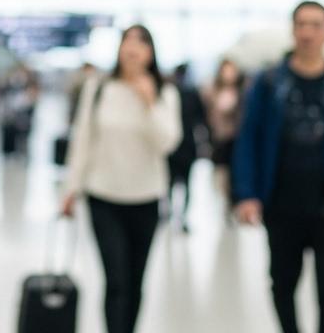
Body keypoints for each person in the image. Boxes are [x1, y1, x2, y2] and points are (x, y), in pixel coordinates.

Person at [232, 2, 324, 333]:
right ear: (293, 30)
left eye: (315, 25)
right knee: (283, 284)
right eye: (301, 24)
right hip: (282, 206)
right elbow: (248, 138)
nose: (308, 33)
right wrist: (246, 194)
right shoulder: (268, 83)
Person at [61, 25, 182, 333]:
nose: (132, 48)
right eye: (127, 41)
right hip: (103, 197)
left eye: (141, 43)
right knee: (116, 280)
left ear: (150, 53)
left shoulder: (165, 93)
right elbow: (83, 140)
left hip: (146, 198)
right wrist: (71, 188)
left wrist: (149, 103)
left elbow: (167, 142)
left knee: (135, 281)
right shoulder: (98, 89)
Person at [167, 62, 208, 232]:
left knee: (175, 183)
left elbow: (201, 119)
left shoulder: (177, 92)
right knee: (180, 184)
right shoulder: (180, 92)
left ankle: (175, 215)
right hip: (178, 144)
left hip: (181, 145)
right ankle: (177, 216)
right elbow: (202, 119)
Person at [204, 58, 247, 214]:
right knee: (221, 179)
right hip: (220, 143)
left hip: (237, 142)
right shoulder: (213, 92)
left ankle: (234, 203)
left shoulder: (243, 92)